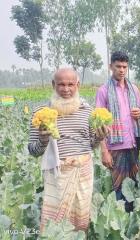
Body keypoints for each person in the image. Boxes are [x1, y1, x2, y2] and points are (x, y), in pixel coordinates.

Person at [28, 68, 108, 232]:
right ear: (53, 85)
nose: (66, 89)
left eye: (70, 84)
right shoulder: (41, 113)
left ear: (78, 84)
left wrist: (100, 137)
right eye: (61, 84)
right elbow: (33, 150)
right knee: (54, 222)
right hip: (57, 172)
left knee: (81, 218)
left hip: (83, 170)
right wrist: (43, 139)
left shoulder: (88, 111)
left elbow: (91, 143)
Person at [95, 51, 140, 212]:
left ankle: (134, 221)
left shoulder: (134, 89)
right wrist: (104, 151)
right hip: (115, 147)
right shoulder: (104, 91)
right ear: (111, 66)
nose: (122, 70)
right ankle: (121, 223)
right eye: (118, 66)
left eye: (125, 66)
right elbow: (99, 123)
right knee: (118, 186)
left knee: (134, 184)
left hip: (133, 145)